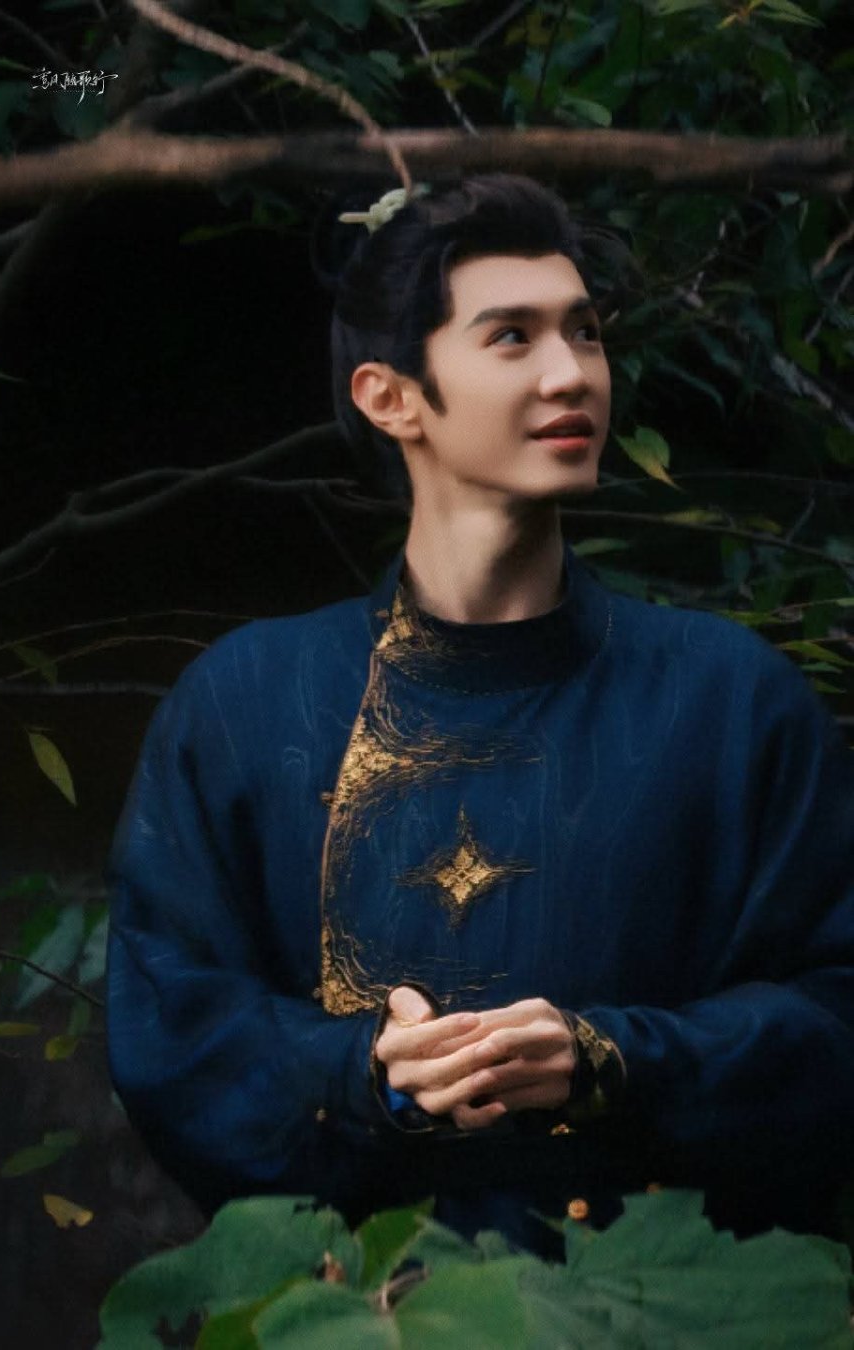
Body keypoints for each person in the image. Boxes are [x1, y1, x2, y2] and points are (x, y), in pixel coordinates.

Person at [107, 175, 854, 1256]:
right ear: (391, 398)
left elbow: (837, 1016)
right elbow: (167, 1027)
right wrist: (363, 1072)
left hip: (668, 1305)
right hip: (352, 1309)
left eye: (585, 331)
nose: (572, 373)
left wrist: (609, 1060)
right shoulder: (247, 701)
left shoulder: (732, 700)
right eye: (512, 336)